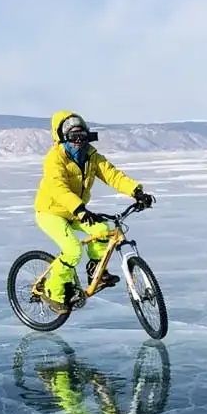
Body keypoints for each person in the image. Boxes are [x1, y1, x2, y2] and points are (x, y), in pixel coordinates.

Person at [34, 110, 155, 312]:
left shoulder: (92, 156)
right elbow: (58, 188)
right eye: (73, 137)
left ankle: (95, 271)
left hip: (74, 211)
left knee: (102, 230)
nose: (78, 141)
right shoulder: (54, 159)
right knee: (73, 251)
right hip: (50, 212)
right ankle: (53, 292)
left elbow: (113, 175)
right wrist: (80, 209)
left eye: (82, 136)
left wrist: (136, 191)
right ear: (62, 137)